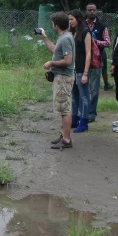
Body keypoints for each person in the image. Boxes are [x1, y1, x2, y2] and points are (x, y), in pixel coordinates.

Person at [40, 12, 76, 150]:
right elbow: (56, 50)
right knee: (62, 108)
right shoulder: (63, 37)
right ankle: (64, 136)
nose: (51, 25)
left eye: (52, 23)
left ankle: (66, 140)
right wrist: (45, 38)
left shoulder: (66, 39)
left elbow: (68, 61)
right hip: (61, 77)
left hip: (64, 78)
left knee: (65, 108)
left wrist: (51, 63)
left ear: (56, 24)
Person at [85, 3, 112, 121]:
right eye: (89, 10)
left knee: (94, 88)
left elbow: (107, 42)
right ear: (86, 11)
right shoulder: (81, 24)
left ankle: (92, 113)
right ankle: (83, 111)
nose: (92, 12)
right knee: (83, 86)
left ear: (96, 11)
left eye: (94, 10)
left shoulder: (102, 26)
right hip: (83, 57)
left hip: (98, 58)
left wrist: (95, 42)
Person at [68, 10, 91, 133]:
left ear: (78, 19)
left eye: (71, 19)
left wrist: (86, 73)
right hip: (73, 69)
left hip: (82, 70)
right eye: (69, 19)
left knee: (84, 97)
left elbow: (88, 54)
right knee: (74, 97)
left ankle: (84, 121)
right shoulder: (72, 33)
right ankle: (74, 119)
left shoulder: (86, 32)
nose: (69, 22)